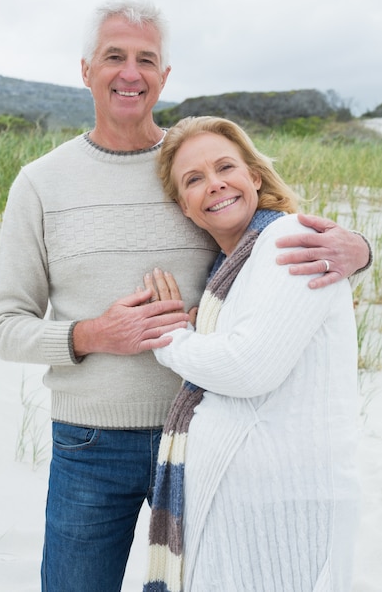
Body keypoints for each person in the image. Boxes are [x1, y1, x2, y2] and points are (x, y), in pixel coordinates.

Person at [0, 0, 369, 592]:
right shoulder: (39, 183)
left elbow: (272, 240)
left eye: (147, 59)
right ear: (86, 68)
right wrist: (93, 334)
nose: (130, 73)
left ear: (165, 76)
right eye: (115, 56)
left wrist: (362, 249)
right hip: (90, 445)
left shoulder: (192, 166)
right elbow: (5, 326)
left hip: (206, 441)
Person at [143, 116, 361, 592]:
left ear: (255, 177)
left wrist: (171, 337)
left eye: (225, 167)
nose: (214, 184)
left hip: (287, 513)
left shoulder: (289, 240)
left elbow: (248, 367)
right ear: (184, 205)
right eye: (194, 179)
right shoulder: (233, 264)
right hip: (247, 516)